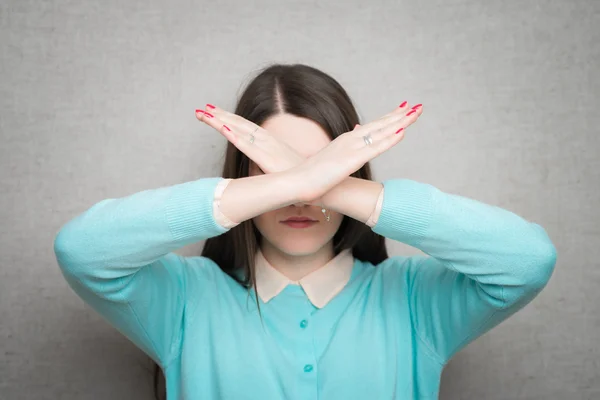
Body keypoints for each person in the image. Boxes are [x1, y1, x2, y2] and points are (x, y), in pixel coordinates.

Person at [53, 63, 557, 400]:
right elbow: (82, 250)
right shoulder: (185, 299)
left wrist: (325, 185)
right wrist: (303, 178)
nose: (299, 198)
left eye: (323, 169)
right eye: (273, 173)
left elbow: (527, 260)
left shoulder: (413, 300)